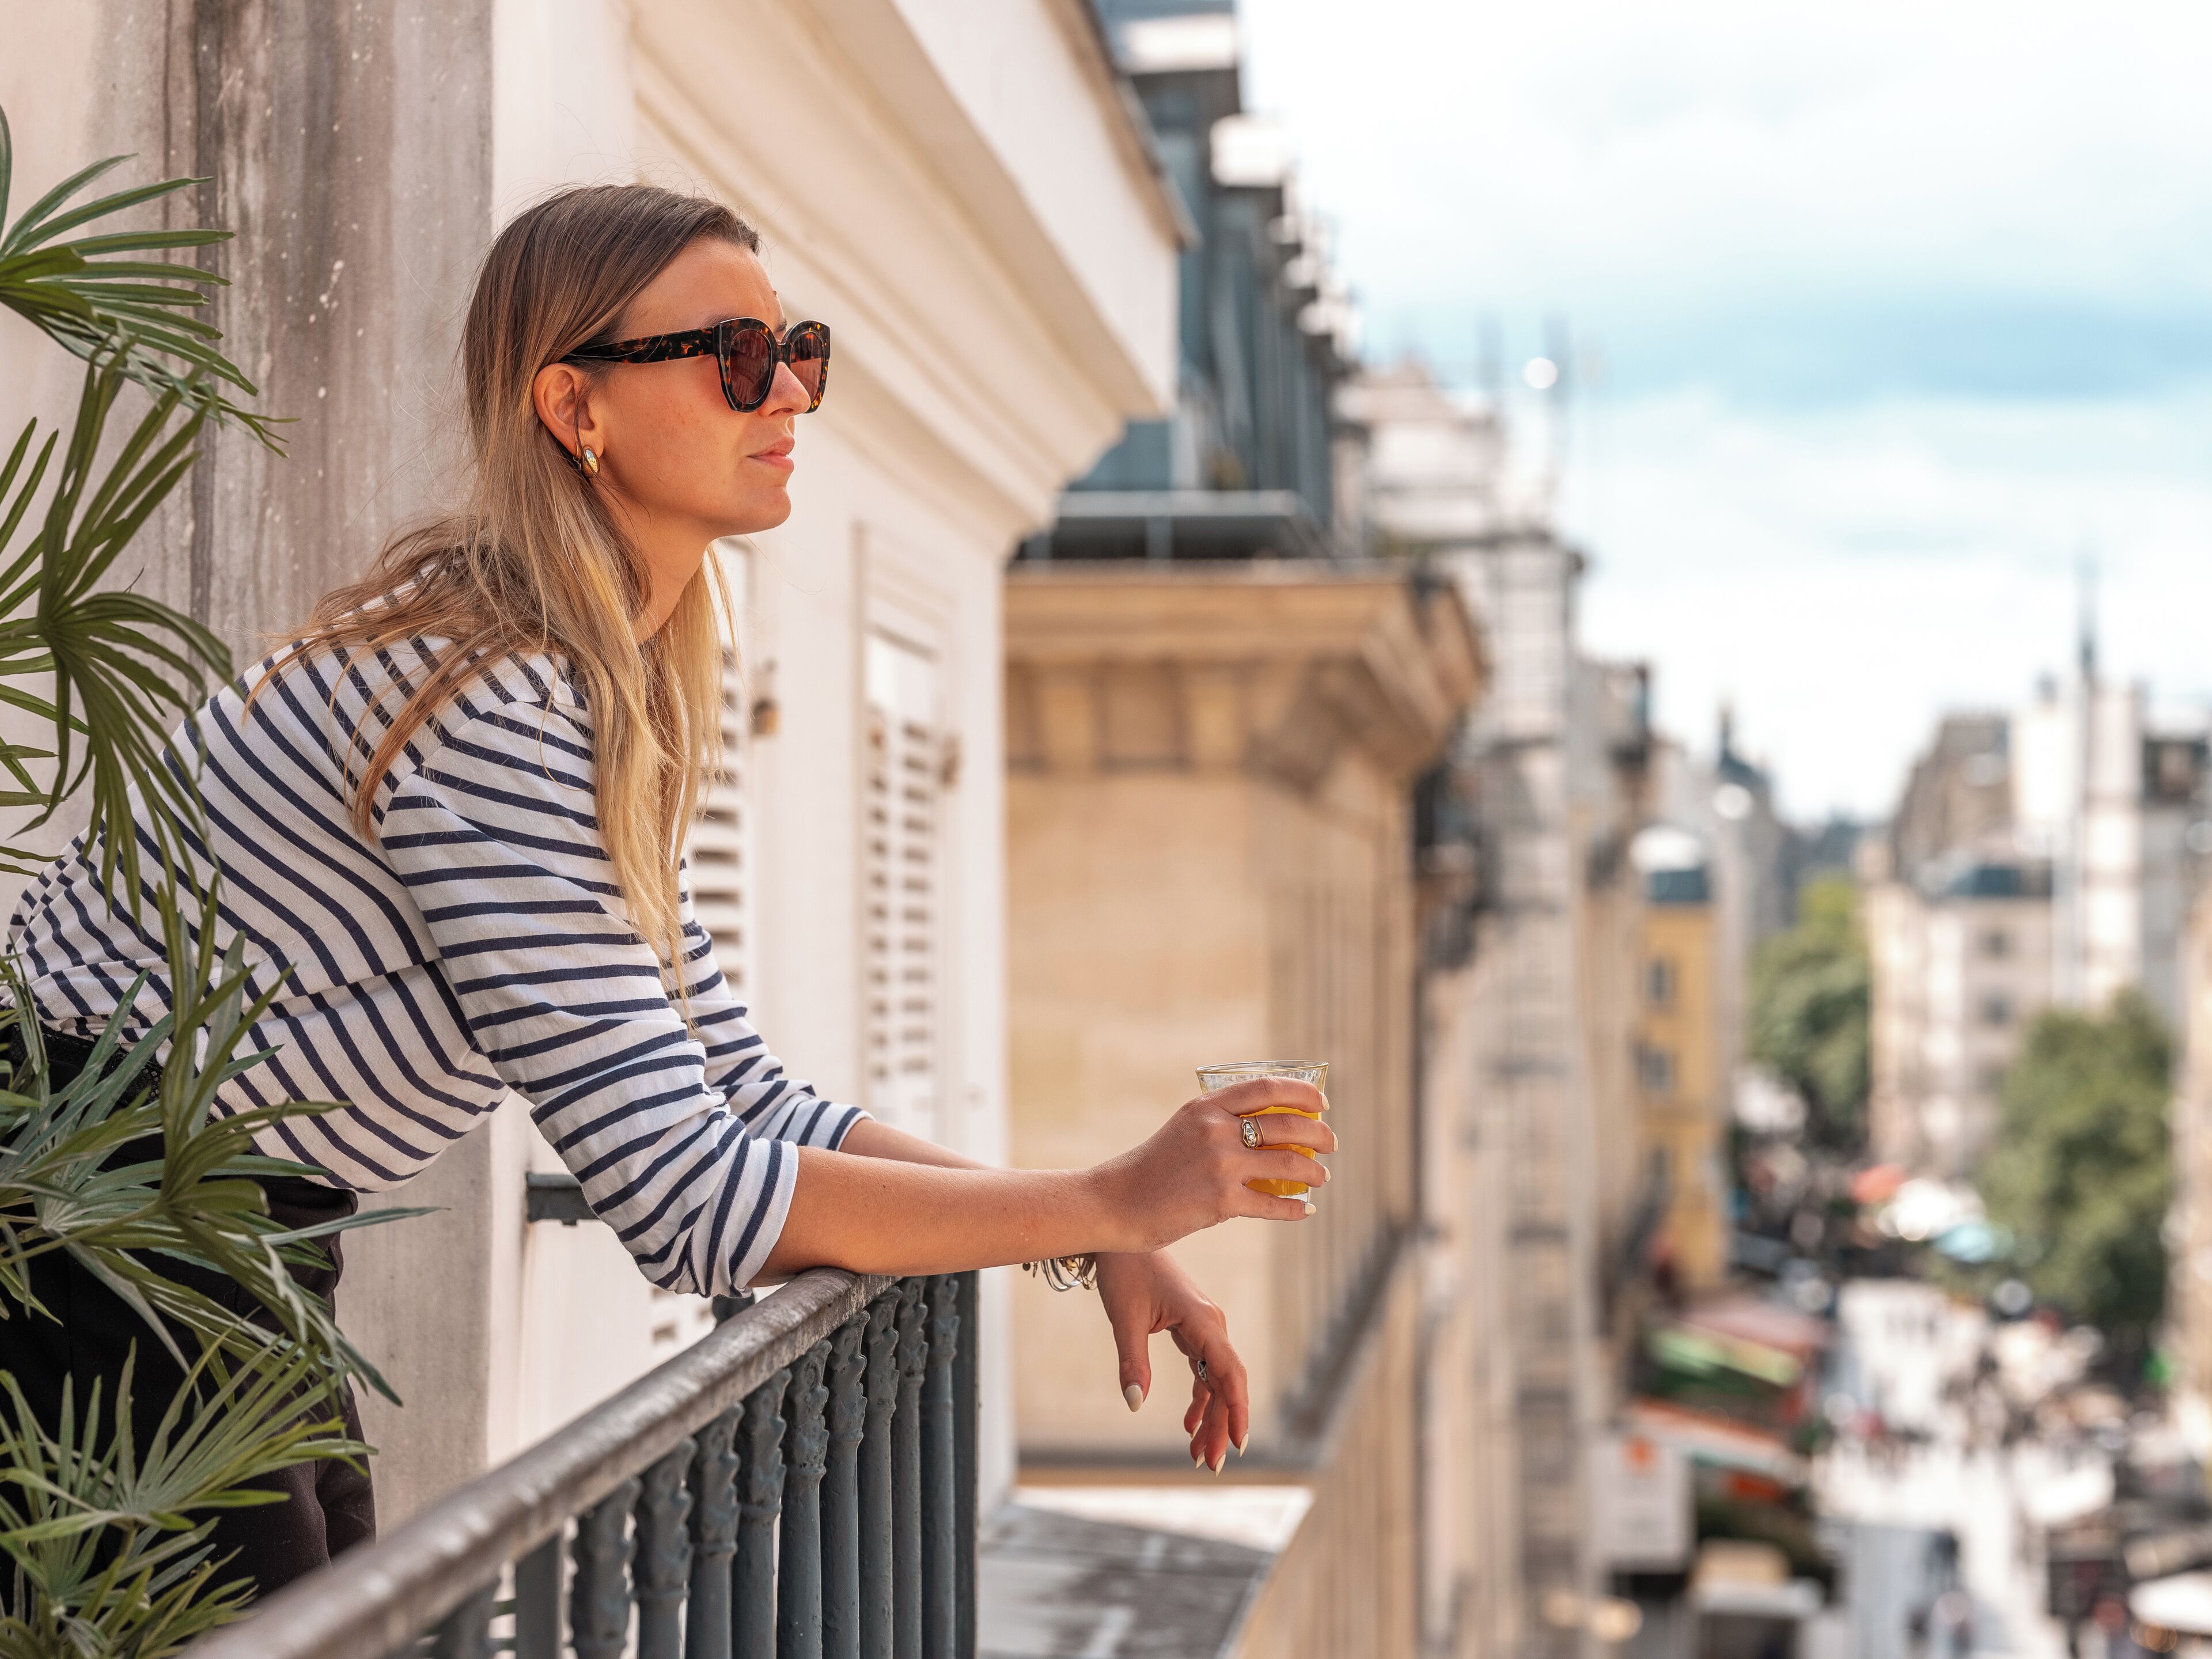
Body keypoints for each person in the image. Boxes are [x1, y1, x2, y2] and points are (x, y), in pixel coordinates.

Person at [0, 183, 1331, 1598]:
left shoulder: (580, 680)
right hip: (93, 1237)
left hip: (202, 1241)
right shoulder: (489, 692)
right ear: (575, 407)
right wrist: (1107, 1197)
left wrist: (1096, 1228)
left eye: (797, 350)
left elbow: (736, 1088)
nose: (792, 394)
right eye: (737, 357)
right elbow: (693, 1196)